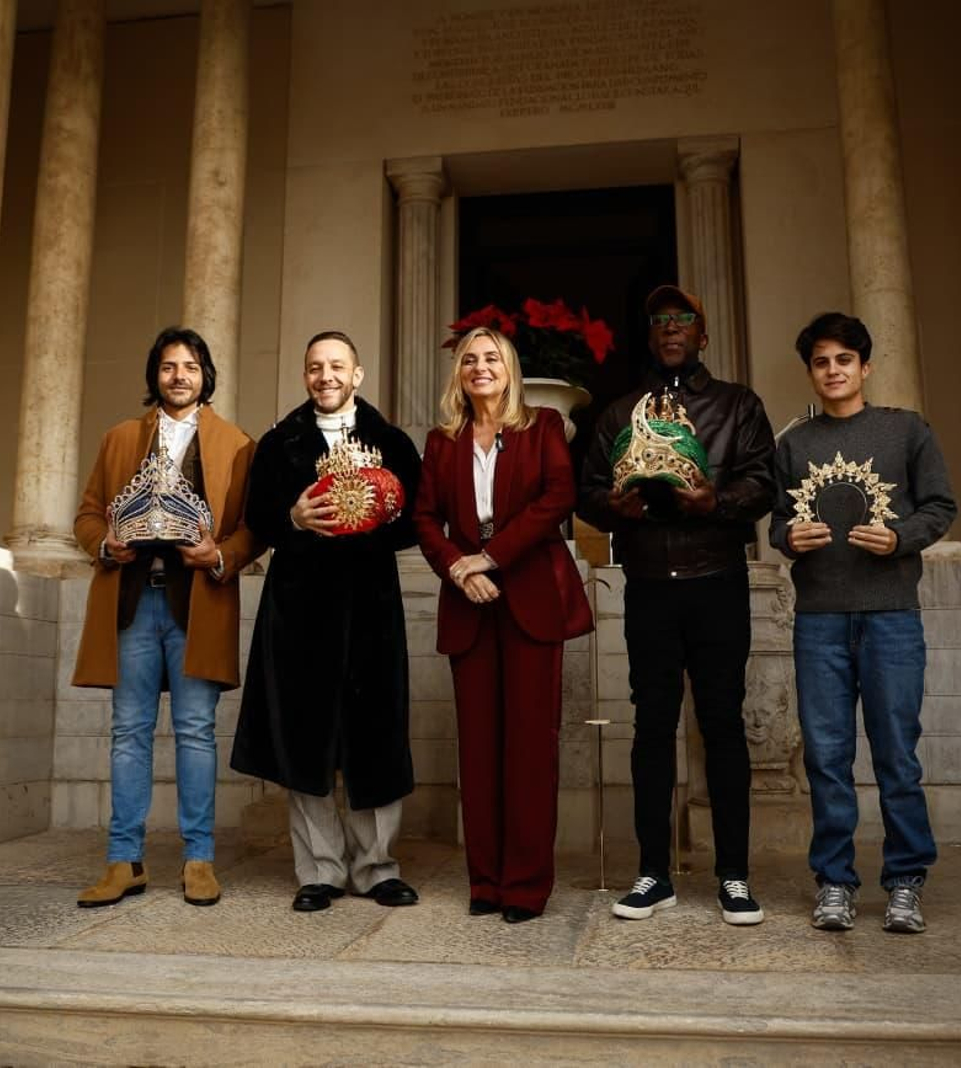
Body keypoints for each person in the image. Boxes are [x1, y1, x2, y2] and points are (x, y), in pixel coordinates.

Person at [578, 286, 777, 926]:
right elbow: (587, 491)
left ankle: (735, 876)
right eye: (660, 320)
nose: (671, 329)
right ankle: (652, 874)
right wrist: (615, 507)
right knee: (651, 728)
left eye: (682, 320)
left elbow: (763, 482)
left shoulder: (737, 405)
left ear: (702, 334)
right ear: (651, 334)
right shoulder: (619, 413)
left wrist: (710, 502)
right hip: (650, 585)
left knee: (722, 726)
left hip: (717, 578)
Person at [769, 311, 958, 934]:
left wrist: (900, 536)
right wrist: (791, 536)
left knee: (896, 756)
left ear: (865, 367)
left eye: (844, 360)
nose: (833, 371)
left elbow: (941, 507)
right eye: (822, 362)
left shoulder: (905, 431)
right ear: (812, 371)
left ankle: (905, 881)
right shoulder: (795, 443)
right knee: (826, 756)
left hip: (891, 616)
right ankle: (835, 882)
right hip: (819, 618)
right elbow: (775, 524)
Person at [230, 330, 423, 912]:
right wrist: (292, 515)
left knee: (375, 736)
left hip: (370, 608)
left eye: (337, 366)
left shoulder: (391, 442)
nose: (326, 377)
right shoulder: (278, 441)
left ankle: (377, 867)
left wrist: (373, 516)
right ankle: (319, 870)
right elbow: (257, 517)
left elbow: (417, 519)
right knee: (304, 735)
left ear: (357, 375)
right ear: (305, 375)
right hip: (300, 607)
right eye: (316, 367)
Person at [72, 326, 261, 908]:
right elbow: (84, 517)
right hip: (133, 599)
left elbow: (253, 529)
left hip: (197, 601)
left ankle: (198, 859)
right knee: (128, 733)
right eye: (168, 367)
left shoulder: (237, 443)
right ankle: (123, 860)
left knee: (196, 733)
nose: (179, 376)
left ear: (206, 376)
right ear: (154, 375)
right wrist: (106, 544)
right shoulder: (119, 438)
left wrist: (222, 555)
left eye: (190, 367)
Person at [413, 326, 592, 924]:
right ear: (458, 373)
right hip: (469, 604)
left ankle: (525, 886)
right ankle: (484, 882)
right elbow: (425, 517)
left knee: (529, 750)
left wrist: (490, 557)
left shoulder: (541, 427)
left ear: (510, 369)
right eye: (470, 359)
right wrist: (460, 569)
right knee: (481, 751)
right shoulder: (443, 441)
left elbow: (557, 495)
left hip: (531, 600)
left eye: (491, 358)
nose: (480, 367)